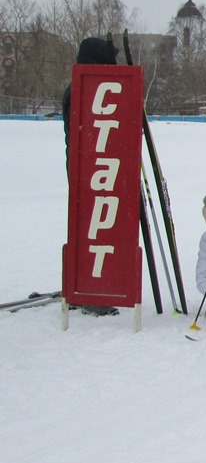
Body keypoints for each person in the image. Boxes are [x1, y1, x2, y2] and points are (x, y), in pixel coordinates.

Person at [62, 37, 120, 316]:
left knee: (93, 225)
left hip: (95, 167)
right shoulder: (83, 88)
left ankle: (87, 285)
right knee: (90, 227)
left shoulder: (88, 86)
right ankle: (86, 289)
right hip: (88, 168)